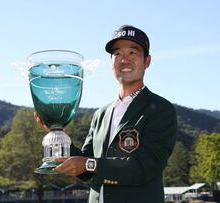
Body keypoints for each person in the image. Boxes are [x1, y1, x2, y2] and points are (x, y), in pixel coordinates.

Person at [35, 25, 177, 203]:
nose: (124, 59)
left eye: (133, 53)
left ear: (147, 61)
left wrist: (88, 164)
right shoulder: (101, 114)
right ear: (111, 62)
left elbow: (144, 167)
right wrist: (57, 133)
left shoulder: (160, 109)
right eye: (117, 54)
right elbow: (86, 170)